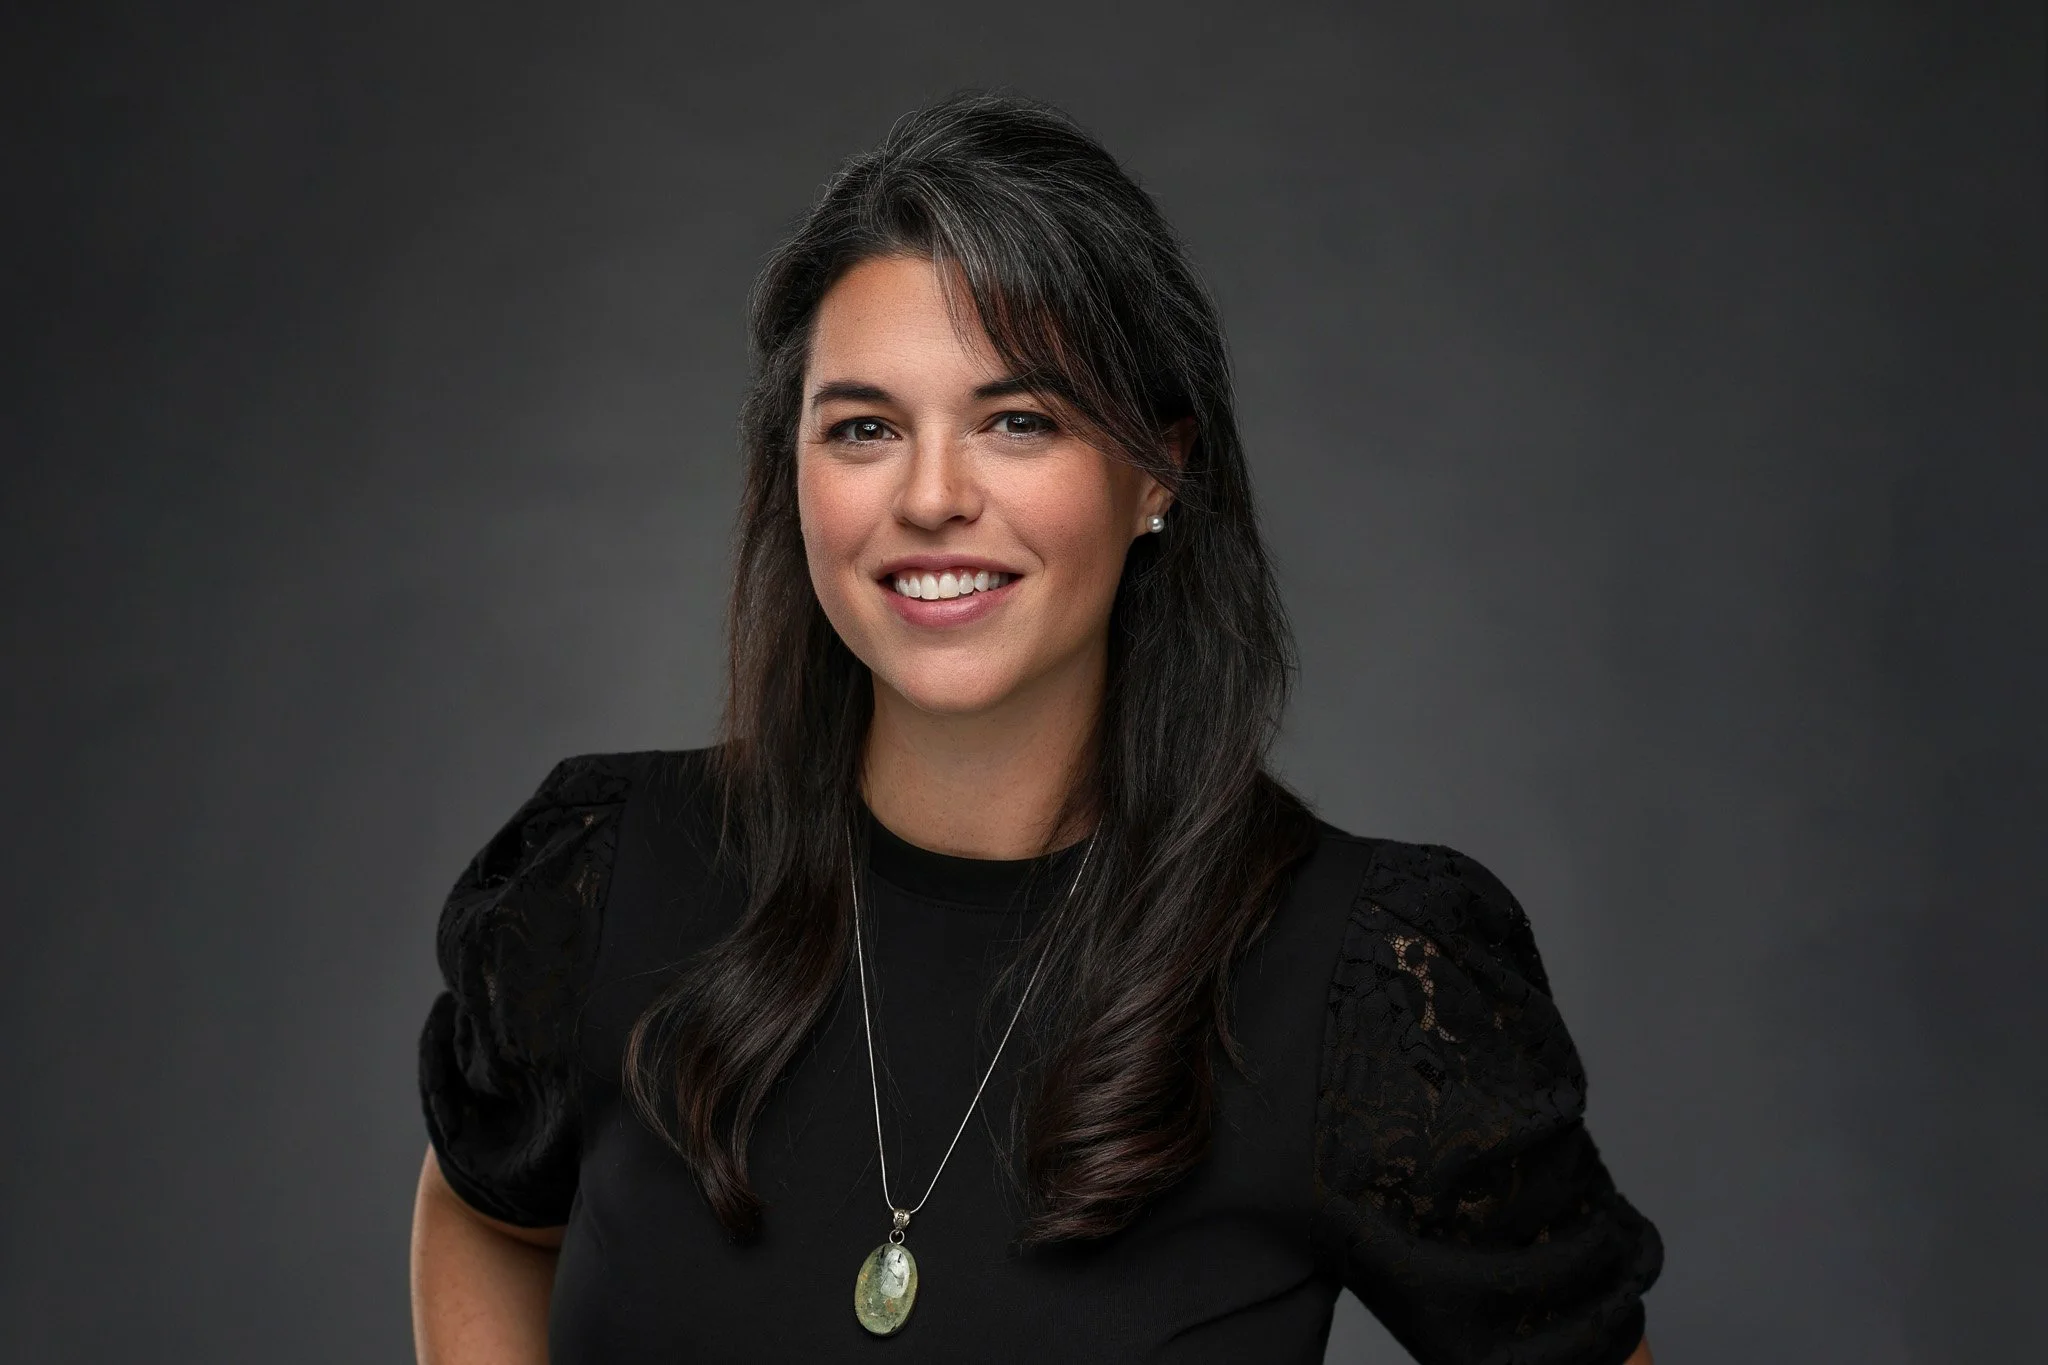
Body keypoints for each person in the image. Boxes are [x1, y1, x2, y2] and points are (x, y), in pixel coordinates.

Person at [408, 91, 1662, 1364]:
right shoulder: (603, 876)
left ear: (1157, 472)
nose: (933, 496)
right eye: (862, 428)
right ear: (792, 473)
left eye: (1019, 421)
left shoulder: (1359, 982)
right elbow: (485, 1219)